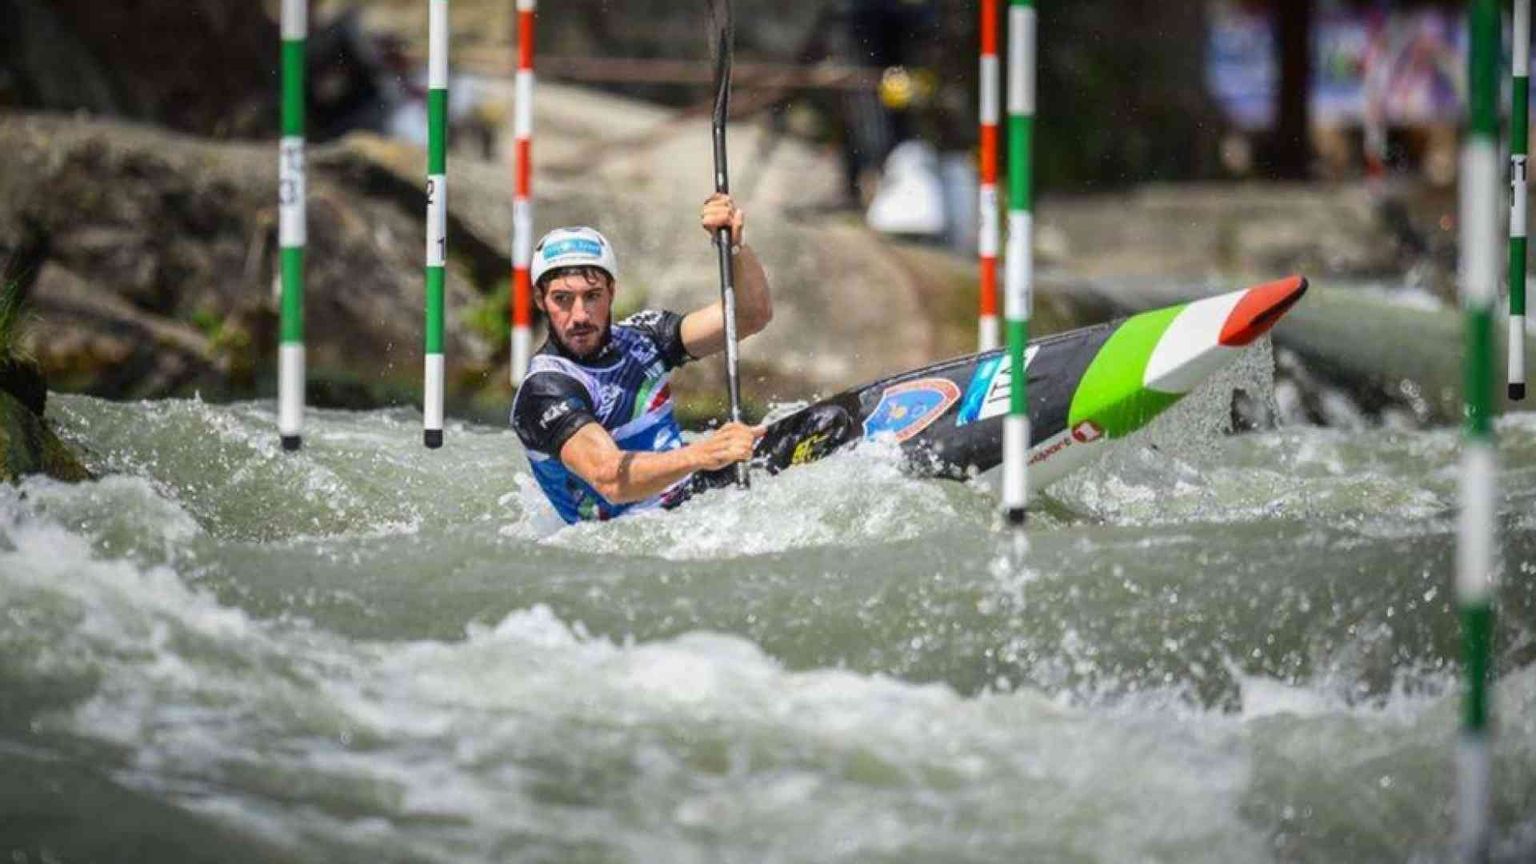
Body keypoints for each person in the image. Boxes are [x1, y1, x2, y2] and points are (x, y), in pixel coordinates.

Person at [511, 194, 772, 523]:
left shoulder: (644, 338)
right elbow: (610, 478)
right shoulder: (546, 389)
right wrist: (705, 453)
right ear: (540, 300)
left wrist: (735, 246)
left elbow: (749, 316)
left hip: (693, 496)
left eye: (592, 297)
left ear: (612, 292)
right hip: (633, 531)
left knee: (826, 424)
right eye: (562, 299)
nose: (579, 315)